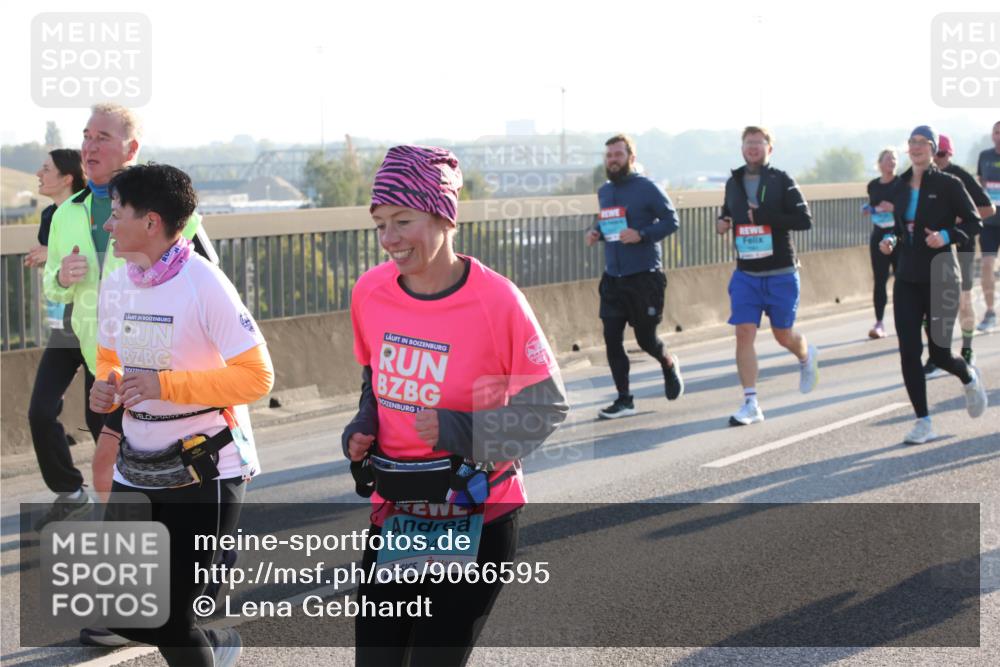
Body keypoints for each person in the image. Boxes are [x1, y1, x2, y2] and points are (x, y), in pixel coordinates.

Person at [342, 145, 568, 666]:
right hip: (397, 517)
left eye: (403, 220)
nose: (390, 239)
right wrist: (364, 422)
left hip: (478, 517)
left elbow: (548, 406)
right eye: (380, 224)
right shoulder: (370, 292)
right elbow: (373, 374)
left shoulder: (497, 300)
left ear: (444, 216)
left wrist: (457, 430)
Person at [90, 163, 273, 666]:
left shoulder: (203, 283)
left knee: (171, 620)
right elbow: (109, 358)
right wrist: (106, 387)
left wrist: (164, 385)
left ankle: (210, 645)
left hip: (204, 465)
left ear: (151, 222)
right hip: (138, 462)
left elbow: (258, 376)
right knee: (123, 608)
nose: (108, 224)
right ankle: (216, 646)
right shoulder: (117, 281)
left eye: (116, 212)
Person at [36, 103, 211, 533]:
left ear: (131, 147)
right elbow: (52, 285)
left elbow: (206, 274)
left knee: (136, 462)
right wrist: (60, 275)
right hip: (98, 356)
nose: (89, 146)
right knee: (111, 461)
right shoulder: (65, 213)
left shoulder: (165, 207)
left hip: (149, 359)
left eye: (102, 138)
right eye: (86, 136)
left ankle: (192, 543)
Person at [877, 126, 987, 444]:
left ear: (933, 148)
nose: (916, 148)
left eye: (922, 143)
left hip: (941, 276)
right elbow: (899, 230)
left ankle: (967, 375)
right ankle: (923, 421)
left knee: (939, 355)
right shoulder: (898, 186)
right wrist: (889, 240)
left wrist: (947, 236)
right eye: (911, 143)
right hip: (907, 278)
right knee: (908, 351)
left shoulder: (949, 184)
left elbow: (973, 221)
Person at [716, 126, 818, 426]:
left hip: (781, 272)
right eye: (748, 143)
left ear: (769, 149)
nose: (753, 148)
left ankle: (805, 356)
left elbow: (804, 220)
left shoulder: (781, 180)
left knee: (782, 334)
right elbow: (728, 214)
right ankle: (751, 402)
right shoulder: (733, 182)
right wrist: (722, 223)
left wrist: (764, 217)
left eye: (758, 143)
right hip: (746, 273)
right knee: (744, 332)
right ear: (742, 148)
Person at [26, 149, 104, 528]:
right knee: (40, 412)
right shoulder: (50, 216)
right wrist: (57, 272)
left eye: (47, 168)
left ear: (67, 176)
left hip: (96, 324)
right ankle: (72, 495)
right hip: (64, 328)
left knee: (99, 416)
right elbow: (54, 269)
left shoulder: (97, 208)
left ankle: (129, 498)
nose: (39, 173)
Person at [584, 134, 683, 419]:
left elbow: (670, 221)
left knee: (645, 339)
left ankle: (667, 362)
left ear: (631, 158)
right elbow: (609, 222)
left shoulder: (647, 187)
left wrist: (642, 235)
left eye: (618, 155)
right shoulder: (604, 190)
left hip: (644, 277)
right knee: (611, 339)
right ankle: (624, 399)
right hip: (613, 278)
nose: (613, 160)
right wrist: (596, 233)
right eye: (609, 156)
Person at [923, 134, 996, 375]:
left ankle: (967, 348)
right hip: (934, 251)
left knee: (964, 302)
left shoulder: (960, 177)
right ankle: (936, 356)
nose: (938, 159)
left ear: (949, 154)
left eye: (942, 155)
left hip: (961, 248)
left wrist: (958, 221)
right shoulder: (920, 179)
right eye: (935, 154)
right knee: (932, 306)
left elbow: (988, 208)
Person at [862, 149, 900, 339]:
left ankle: (909, 319)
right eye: (887, 159)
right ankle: (879, 323)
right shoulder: (873, 185)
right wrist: (868, 209)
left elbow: (909, 208)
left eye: (894, 158)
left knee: (903, 280)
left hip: (898, 235)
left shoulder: (902, 184)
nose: (891, 162)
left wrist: (894, 208)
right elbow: (872, 205)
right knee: (880, 280)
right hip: (879, 235)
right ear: (880, 164)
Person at [975, 120, 1000, 333]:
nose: (999, 135)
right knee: (986, 265)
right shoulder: (985, 156)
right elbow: (980, 182)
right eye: (996, 132)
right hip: (990, 223)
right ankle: (990, 311)